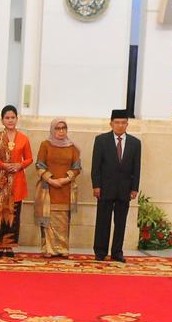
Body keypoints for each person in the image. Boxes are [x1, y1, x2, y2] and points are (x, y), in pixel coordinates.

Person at [0, 105, 33, 258]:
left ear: (17, 119)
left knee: (13, 214)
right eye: (7, 118)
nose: (10, 120)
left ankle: (9, 246)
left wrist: (20, 165)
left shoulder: (23, 138)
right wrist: (2, 165)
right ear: (2, 120)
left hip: (16, 182)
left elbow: (29, 158)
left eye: (13, 118)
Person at [91, 109, 141, 263]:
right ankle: (100, 251)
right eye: (117, 122)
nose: (120, 125)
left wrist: (134, 188)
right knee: (103, 221)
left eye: (123, 123)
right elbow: (96, 166)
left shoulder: (135, 143)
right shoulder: (101, 140)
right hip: (105, 188)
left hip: (124, 189)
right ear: (111, 124)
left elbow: (136, 168)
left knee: (120, 222)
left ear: (127, 124)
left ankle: (117, 252)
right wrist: (96, 185)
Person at [35, 119, 82, 257]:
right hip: (47, 189)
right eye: (58, 128)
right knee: (47, 220)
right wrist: (51, 180)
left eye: (63, 128)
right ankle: (48, 249)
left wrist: (65, 179)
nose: (61, 131)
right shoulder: (45, 145)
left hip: (65, 189)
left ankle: (62, 248)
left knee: (63, 222)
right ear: (52, 130)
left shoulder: (72, 147)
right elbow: (39, 165)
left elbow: (77, 167)